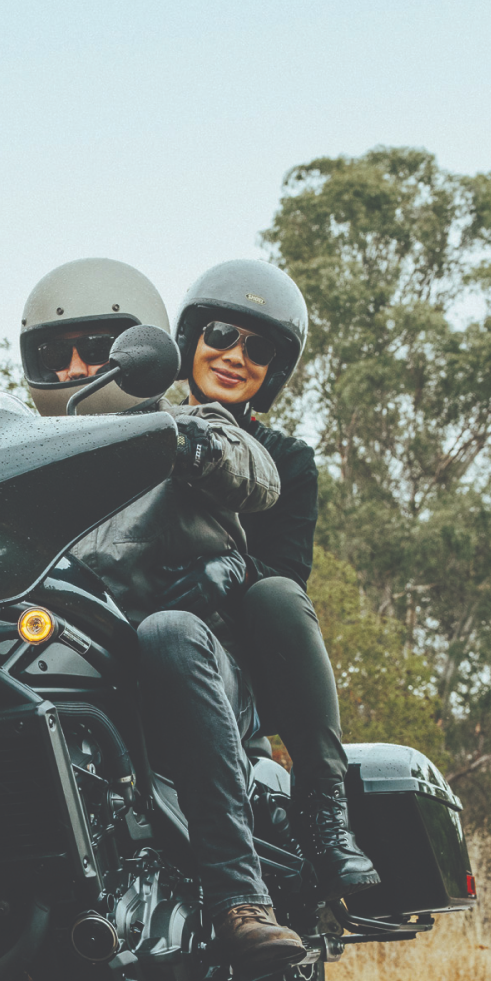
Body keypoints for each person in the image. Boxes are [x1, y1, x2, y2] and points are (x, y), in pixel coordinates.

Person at [17, 258, 304, 971]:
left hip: (187, 661)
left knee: (169, 632)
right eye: (58, 354)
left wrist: (199, 444)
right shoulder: (20, 452)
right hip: (72, 652)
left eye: (98, 348)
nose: (80, 366)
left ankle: (241, 899)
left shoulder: (178, 427)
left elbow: (256, 468)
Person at [170, 260, 379, 897]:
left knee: (280, 595)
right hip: (140, 638)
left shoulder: (288, 461)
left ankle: (324, 812)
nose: (236, 357)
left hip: (235, 659)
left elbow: (287, 569)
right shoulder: (141, 432)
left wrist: (224, 572)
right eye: (222, 337)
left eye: (258, 348)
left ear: (275, 371)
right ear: (191, 341)